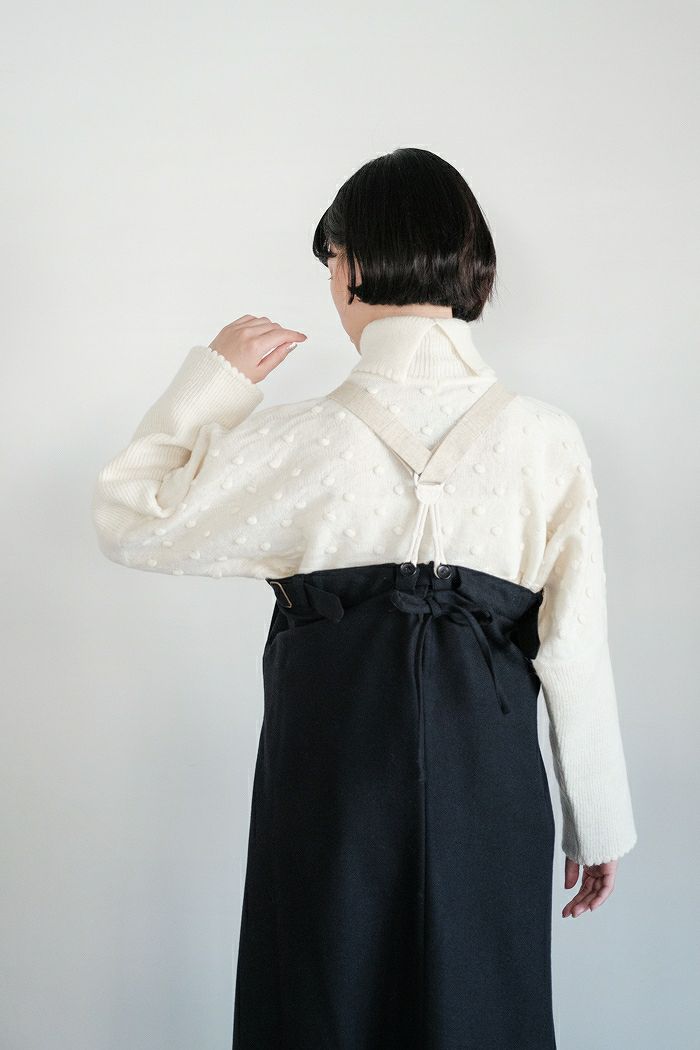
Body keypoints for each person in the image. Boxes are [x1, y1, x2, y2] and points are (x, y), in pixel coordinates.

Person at [91, 147, 637, 1049]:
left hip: (332, 791)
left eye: (331, 262)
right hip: (490, 793)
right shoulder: (547, 441)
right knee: (484, 1014)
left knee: (322, 1009)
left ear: (350, 266)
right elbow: (573, 644)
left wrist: (217, 379)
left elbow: (130, 515)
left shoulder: (301, 441)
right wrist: (598, 821)